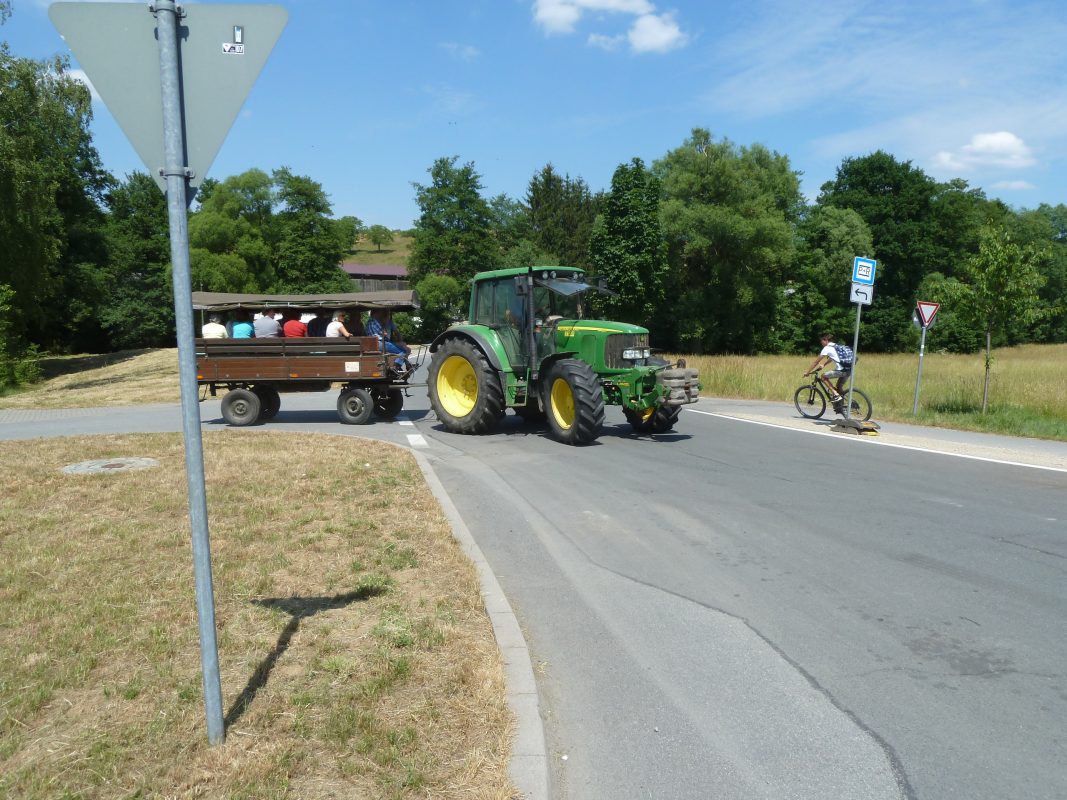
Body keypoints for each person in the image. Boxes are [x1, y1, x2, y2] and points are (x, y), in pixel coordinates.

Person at [803, 332, 850, 412]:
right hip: (849, 369)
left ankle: (836, 395)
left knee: (823, 376)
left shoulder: (827, 348)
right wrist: (823, 365)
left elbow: (815, 362)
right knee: (839, 386)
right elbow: (832, 358)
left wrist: (807, 372)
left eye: (821, 341)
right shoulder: (836, 346)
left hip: (842, 370)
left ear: (826, 340)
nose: (821, 343)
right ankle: (841, 407)